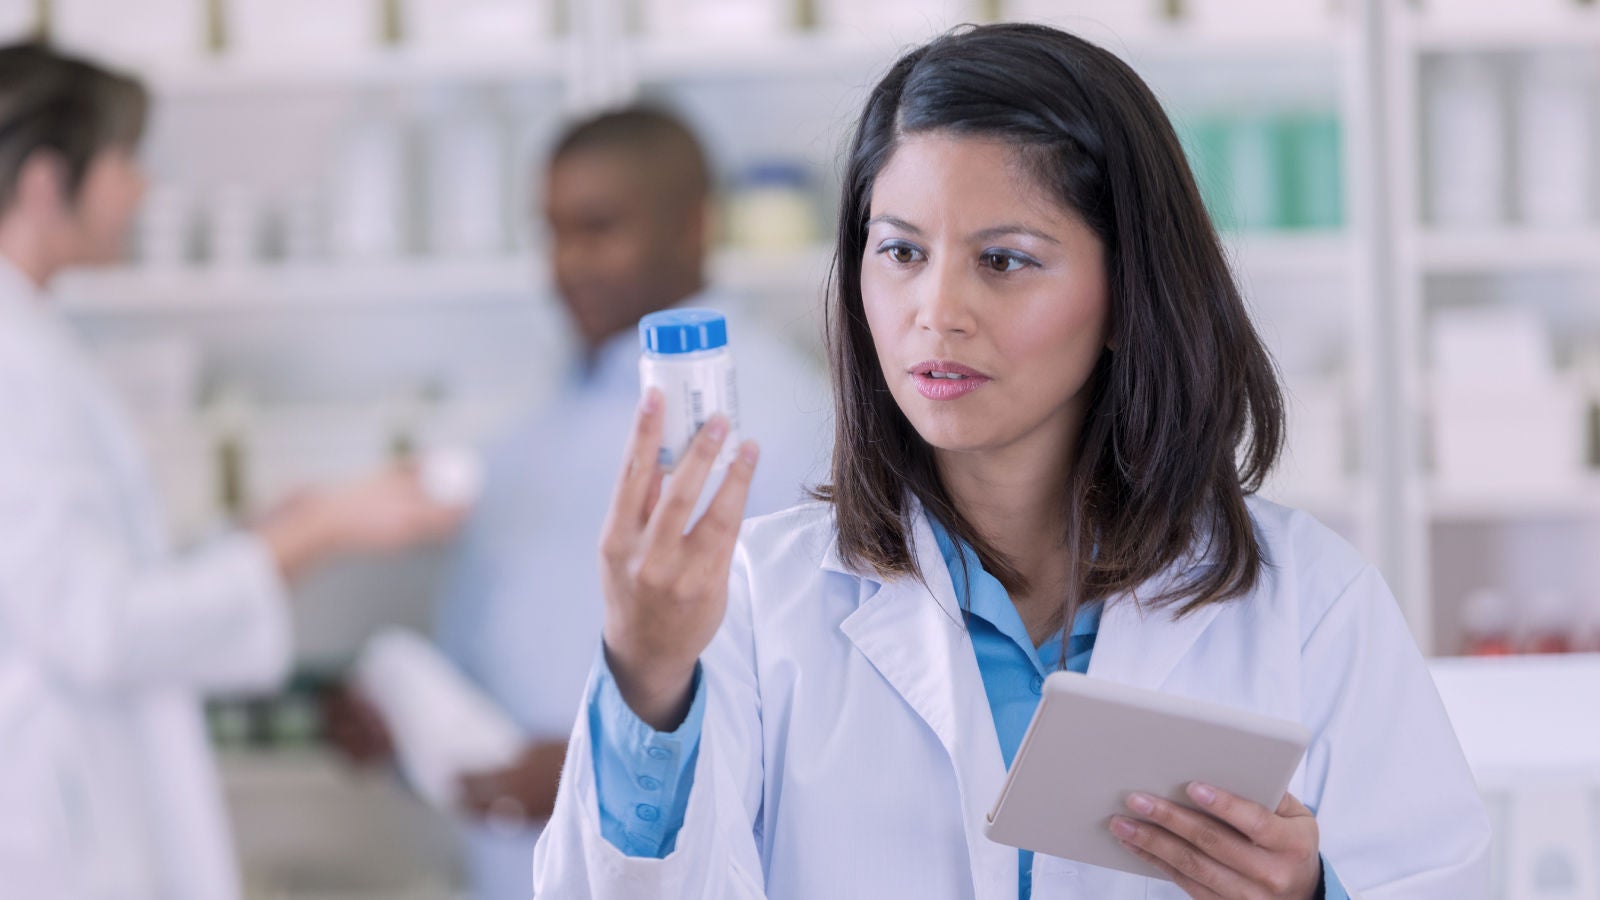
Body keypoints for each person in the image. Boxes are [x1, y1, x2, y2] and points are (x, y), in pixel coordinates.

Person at [532, 24, 1491, 900]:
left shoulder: (1308, 608)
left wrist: (1315, 898)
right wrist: (648, 682)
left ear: (1128, 293)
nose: (934, 312)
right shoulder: (754, 605)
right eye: (901, 251)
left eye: (1004, 260)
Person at [323, 107, 830, 900]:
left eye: (599, 229)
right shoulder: (539, 418)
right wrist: (408, 734)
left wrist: (606, 759)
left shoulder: (780, 417)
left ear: (695, 226)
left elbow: (816, 699)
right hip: (519, 864)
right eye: (553, 231)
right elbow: (504, 640)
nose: (567, 264)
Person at [0, 43, 467, 900]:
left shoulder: (33, 340)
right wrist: (319, 530)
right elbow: (101, 625)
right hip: (55, 831)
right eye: (122, 164)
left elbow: (82, 577)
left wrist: (251, 540)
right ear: (42, 182)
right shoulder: (14, 365)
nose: (141, 190)